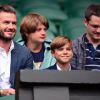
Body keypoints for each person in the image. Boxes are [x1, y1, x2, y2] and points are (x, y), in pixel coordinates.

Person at [0, 5, 33, 96]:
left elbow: (27, 86)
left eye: (14, 23)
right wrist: (2, 92)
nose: (11, 27)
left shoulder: (25, 53)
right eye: (6, 22)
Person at [71, 4, 100, 70]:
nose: (98, 31)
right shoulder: (74, 46)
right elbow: (71, 76)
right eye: (95, 26)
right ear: (85, 22)